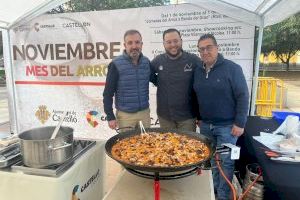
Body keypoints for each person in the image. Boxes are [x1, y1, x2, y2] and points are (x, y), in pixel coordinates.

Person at [193, 33, 249, 200]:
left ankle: (223, 196)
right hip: (206, 127)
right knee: (211, 162)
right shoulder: (198, 71)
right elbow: (196, 95)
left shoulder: (232, 69)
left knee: (225, 163)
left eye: (208, 47)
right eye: (201, 49)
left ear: (217, 48)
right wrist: (198, 116)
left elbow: (243, 96)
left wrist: (240, 123)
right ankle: (213, 192)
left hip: (227, 128)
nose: (205, 52)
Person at [150, 28, 200, 132]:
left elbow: (201, 86)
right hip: (165, 117)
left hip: (188, 118)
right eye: (169, 42)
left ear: (181, 40)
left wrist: (200, 115)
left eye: (176, 41)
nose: (173, 45)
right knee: (168, 147)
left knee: (188, 147)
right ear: (164, 44)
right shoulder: (158, 60)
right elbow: (150, 76)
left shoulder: (193, 60)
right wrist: (161, 83)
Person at [103, 29, 151, 132]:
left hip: (145, 114)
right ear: (125, 45)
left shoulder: (146, 62)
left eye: (137, 42)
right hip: (125, 116)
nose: (134, 46)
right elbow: (107, 93)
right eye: (130, 43)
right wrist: (110, 116)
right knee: (126, 146)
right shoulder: (115, 64)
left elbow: (158, 81)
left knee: (147, 145)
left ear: (141, 44)